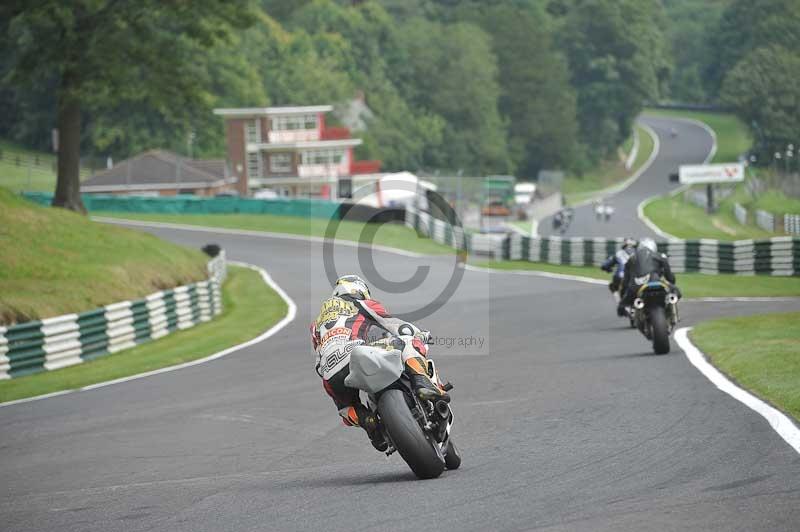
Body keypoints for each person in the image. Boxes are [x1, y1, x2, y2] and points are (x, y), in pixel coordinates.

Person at [310, 275, 448, 450]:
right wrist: (418, 333)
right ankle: (422, 381)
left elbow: (318, 363)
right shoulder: (358, 303)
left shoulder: (317, 323)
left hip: (330, 371)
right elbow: (393, 324)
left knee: (346, 408)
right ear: (359, 290)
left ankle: (371, 424)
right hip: (355, 350)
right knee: (407, 341)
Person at [618, 238, 681, 315]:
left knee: (624, 304)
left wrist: (623, 301)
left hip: (637, 286)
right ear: (654, 247)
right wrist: (672, 283)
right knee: (676, 291)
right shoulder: (660, 255)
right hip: (655, 281)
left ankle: (635, 312)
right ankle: (672, 311)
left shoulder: (631, 259)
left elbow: (625, 281)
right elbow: (669, 276)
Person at [601, 238, 637, 314]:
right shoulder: (638, 253)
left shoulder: (618, 253)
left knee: (612, 286)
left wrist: (607, 269)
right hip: (636, 276)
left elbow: (605, 265)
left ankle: (620, 303)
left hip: (620, 277)